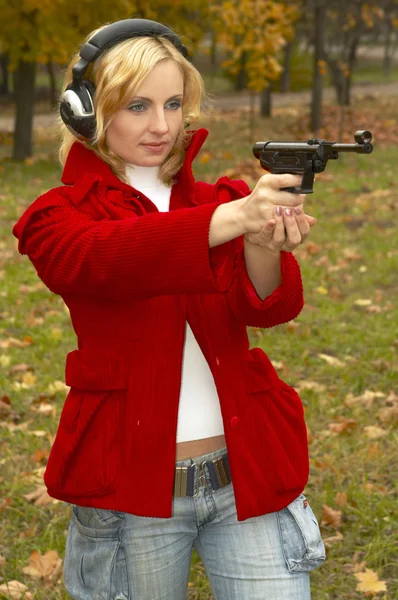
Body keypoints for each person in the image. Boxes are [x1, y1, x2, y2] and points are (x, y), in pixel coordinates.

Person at [12, 18, 326, 600]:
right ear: (86, 110)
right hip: (132, 491)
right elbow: (106, 260)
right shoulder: (58, 217)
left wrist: (261, 244)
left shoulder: (216, 200)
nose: (161, 126)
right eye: (137, 106)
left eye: (174, 103)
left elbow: (268, 309)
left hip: (246, 472)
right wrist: (234, 221)